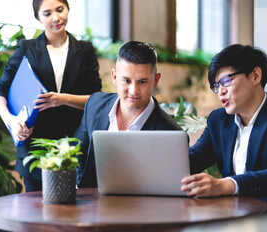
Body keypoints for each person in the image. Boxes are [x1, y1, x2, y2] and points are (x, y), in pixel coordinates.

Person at [0, 0, 102, 192]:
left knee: (73, 216)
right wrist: (11, 120)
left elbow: (96, 100)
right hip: (35, 150)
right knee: (36, 217)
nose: (56, 18)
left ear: (68, 9)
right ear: (38, 18)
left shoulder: (85, 51)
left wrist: (63, 99)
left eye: (60, 10)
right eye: (47, 13)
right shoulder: (26, 48)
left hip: (74, 149)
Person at [181, 44, 267, 211]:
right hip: (233, 218)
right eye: (216, 86)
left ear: (255, 76)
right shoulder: (219, 120)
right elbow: (193, 158)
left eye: (226, 81)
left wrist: (226, 185)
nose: (221, 92)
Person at [74, 41, 187, 188]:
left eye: (142, 82)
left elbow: (171, 187)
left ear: (156, 80)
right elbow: (76, 153)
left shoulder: (172, 134)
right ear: (114, 77)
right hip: (91, 205)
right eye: (126, 81)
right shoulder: (95, 104)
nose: (134, 91)